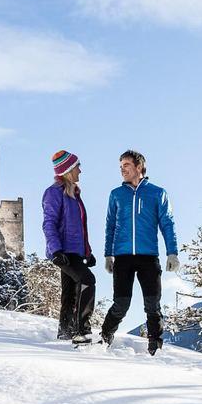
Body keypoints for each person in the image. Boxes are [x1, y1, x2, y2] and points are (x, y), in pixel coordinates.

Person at [100, 150, 179, 355]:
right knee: (121, 304)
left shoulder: (157, 193)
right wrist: (108, 254)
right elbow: (110, 226)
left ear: (139, 167)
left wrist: (172, 252)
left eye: (126, 165)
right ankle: (104, 338)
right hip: (123, 258)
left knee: (153, 305)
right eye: (120, 166)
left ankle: (155, 347)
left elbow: (167, 224)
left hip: (148, 257)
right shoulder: (116, 195)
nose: (122, 169)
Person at [42, 150, 97, 345]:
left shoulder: (74, 194)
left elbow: (80, 227)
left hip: (75, 251)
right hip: (63, 252)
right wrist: (56, 250)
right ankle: (81, 330)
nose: (80, 171)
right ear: (68, 169)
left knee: (70, 292)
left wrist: (87, 252)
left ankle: (65, 333)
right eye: (77, 167)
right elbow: (49, 223)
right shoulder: (54, 192)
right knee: (88, 280)